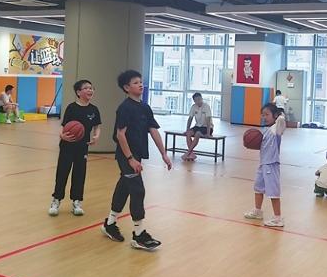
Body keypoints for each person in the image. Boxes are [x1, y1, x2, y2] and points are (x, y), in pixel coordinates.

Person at [101, 70, 172, 251]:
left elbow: (153, 130)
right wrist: (130, 159)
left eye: (141, 81)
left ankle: (110, 223)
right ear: (126, 87)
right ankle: (139, 235)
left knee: (124, 187)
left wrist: (164, 154)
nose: (140, 84)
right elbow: (120, 135)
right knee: (138, 190)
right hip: (126, 156)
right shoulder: (125, 108)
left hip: (136, 155)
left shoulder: (145, 107)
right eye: (135, 82)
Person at [49, 80, 101, 216]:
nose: (90, 90)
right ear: (78, 92)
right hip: (67, 146)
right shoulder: (71, 108)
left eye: (91, 88)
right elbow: (63, 125)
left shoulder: (94, 109)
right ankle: (56, 200)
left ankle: (77, 201)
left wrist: (96, 136)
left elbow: (97, 126)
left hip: (82, 147)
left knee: (79, 174)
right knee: (62, 173)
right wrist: (62, 135)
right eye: (86, 88)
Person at [244, 104, 286, 227]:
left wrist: (279, 114)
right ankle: (258, 211)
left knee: (273, 192)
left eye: (267, 114)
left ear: (275, 115)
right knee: (258, 188)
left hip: (271, 164)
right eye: (262, 115)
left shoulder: (276, 129)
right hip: (263, 164)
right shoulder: (267, 130)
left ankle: (278, 218)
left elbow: (282, 120)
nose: (264, 117)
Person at [183, 93, 213, 161]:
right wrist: (187, 130)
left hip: (207, 127)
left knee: (197, 134)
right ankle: (192, 154)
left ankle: (188, 153)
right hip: (198, 126)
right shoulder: (193, 107)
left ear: (202, 99)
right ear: (194, 101)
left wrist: (208, 133)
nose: (198, 101)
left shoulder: (206, 106)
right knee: (188, 133)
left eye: (199, 99)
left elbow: (208, 120)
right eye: (196, 100)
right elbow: (190, 119)